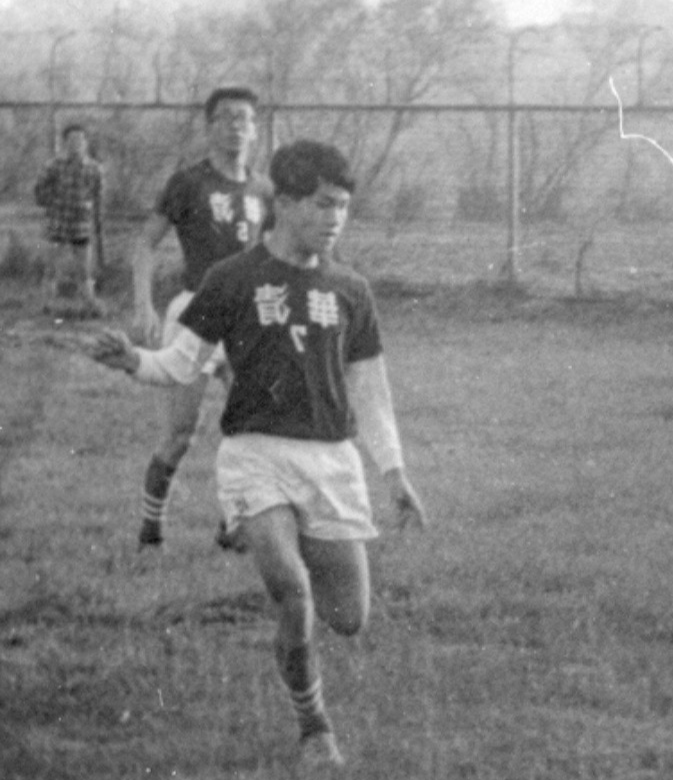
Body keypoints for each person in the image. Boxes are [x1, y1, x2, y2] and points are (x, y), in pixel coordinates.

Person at [89, 139, 427, 768]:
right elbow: (180, 364)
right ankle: (314, 728)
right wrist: (133, 360)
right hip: (255, 454)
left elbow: (370, 389)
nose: (335, 218)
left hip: (330, 461)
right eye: (322, 204)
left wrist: (395, 472)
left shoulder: (351, 289)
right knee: (293, 592)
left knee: (348, 617)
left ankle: (267, 539)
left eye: (343, 207)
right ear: (286, 203)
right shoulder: (232, 279)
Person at [130, 85, 274, 549]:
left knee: (252, 426)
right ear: (210, 127)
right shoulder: (189, 183)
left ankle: (232, 525)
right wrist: (144, 304)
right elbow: (146, 243)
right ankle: (151, 529)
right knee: (180, 433)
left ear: (255, 129)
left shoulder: (263, 189)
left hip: (246, 319)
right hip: (195, 312)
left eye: (244, 118)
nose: (236, 126)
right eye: (226, 117)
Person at [34, 122, 105, 317]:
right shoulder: (53, 166)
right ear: (65, 143)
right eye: (72, 140)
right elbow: (39, 190)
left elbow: (98, 196)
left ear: (86, 142)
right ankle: (46, 305)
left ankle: (89, 306)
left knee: (84, 271)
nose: (76, 144)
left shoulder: (94, 169)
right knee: (51, 269)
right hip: (57, 224)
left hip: (81, 226)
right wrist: (52, 204)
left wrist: (94, 217)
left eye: (80, 140)